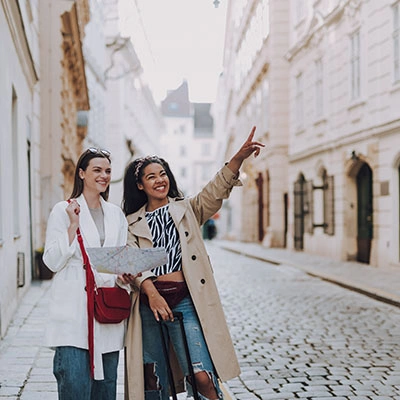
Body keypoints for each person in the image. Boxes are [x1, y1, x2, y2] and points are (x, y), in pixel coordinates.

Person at [122, 127, 264, 400]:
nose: (159, 180)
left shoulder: (187, 209)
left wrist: (238, 159)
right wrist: (152, 295)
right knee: (153, 380)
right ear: (140, 185)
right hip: (149, 304)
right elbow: (134, 263)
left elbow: (215, 191)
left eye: (163, 174)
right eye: (151, 177)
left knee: (202, 376)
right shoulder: (130, 222)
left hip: (187, 299)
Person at [43, 148, 137, 400]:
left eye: (107, 170)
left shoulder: (116, 214)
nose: (104, 175)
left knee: (105, 394)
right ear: (82, 173)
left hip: (106, 315)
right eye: (97, 170)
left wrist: (123, 277)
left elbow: (115, 261)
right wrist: (73, 226)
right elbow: (52, 261)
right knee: (74, 389)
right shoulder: (62, 210)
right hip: (72, 315)